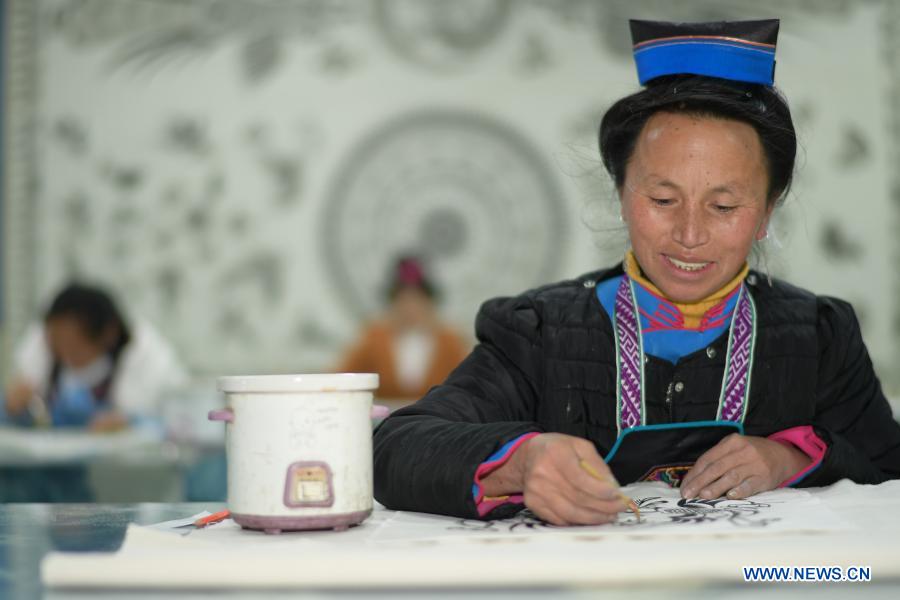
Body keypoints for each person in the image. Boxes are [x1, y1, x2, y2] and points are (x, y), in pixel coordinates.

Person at [373, 19, 900, 526]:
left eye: (724, 206)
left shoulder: (818, 336)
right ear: (621, 196)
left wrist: (792, 456)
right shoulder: (539, 332)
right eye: (663, 198)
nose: (689, 234)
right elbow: (395, 447)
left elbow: (886, 464)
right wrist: (521, 460)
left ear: (766, 211)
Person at [2, 282, 187, 430]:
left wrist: (131, 424)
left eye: (74, 348)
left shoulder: (148, 358)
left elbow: (177, 423)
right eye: (57, 346)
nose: (65, 356)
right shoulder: (41, 347)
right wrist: (13, 409)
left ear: (108, 334)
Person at [338, 256, 469, 401]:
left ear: (429, 303)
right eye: (404, 300)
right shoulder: (375, 338)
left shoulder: (449, 340)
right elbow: (343, 377)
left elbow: (468, 383)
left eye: (417, 300)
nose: (410, 309)